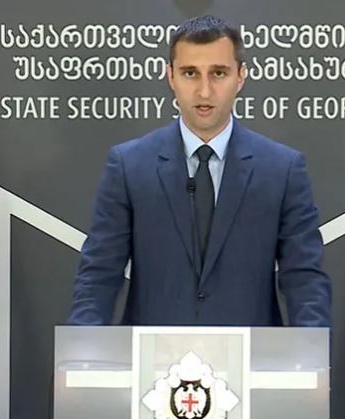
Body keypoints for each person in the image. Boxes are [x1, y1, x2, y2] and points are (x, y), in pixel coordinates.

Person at [68, 15, 330, 327]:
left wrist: (311, 350)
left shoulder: (282, 169)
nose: (204, 92)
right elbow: (98, 276)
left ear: (241, 77)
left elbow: (305, 280)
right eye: (190, 73)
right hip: (153, 355)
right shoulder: (128, 166)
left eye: (218, 73)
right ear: (171, 77)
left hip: (251, 355)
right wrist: (82, 348)